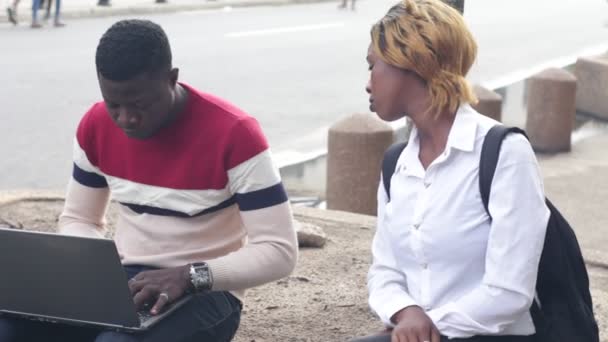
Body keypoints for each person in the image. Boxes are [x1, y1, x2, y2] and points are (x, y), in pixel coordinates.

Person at [0, 19, 298, 342]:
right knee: (10, 327)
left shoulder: (235, 134)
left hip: (210, 292)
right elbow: (79, 218)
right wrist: (95, 273)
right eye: (114, 104)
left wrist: (189, 275)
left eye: (140, 104)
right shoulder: (96, 126)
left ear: (172, 79)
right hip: (126, 280)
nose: (125, 118)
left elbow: (279, 250)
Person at [352, 0, 550, 341]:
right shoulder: (396, 164)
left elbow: (509, 291)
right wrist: (406, 312)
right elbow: (384, 270)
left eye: (373, 66)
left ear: (411, 61)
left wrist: (428, 326)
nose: (368, 83)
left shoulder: (504, 153)